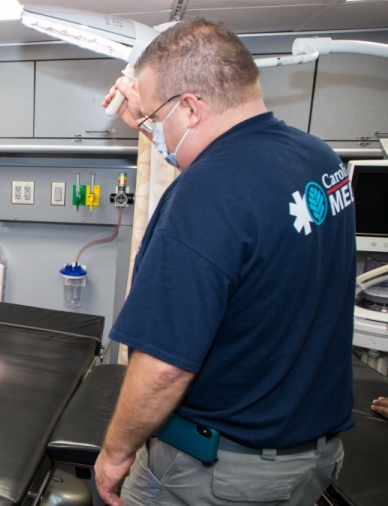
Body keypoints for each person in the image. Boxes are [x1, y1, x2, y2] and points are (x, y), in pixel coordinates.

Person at [96, 18, 356, 505]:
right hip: (310, 458)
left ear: (190, 107)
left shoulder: (203, 198)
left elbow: (165, 367)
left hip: (220, 472)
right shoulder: (319, 160)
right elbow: (233, 185)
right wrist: (153, 123)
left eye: (156, 118)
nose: (153, 130)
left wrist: (115, 453)